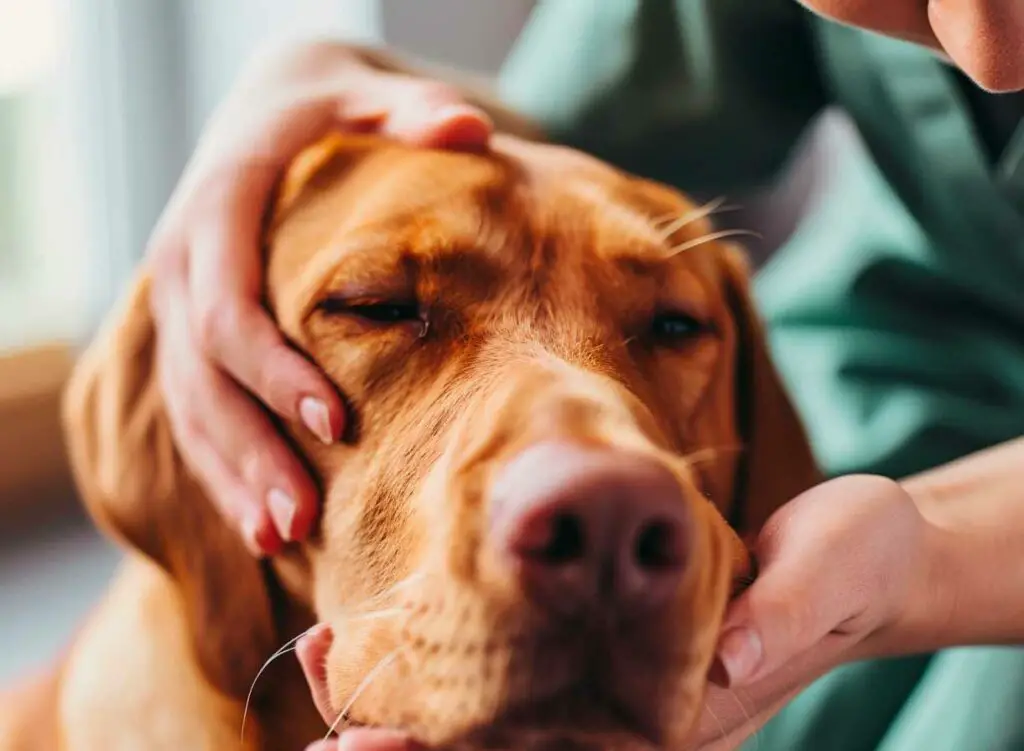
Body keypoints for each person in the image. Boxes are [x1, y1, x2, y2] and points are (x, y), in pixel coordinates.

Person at [142, 1, 1024, 749]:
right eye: (376, 304)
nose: (986, 38)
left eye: (672, 326)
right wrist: (319, 76)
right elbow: (526, 174)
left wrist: (936, 553)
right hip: (893, 361)